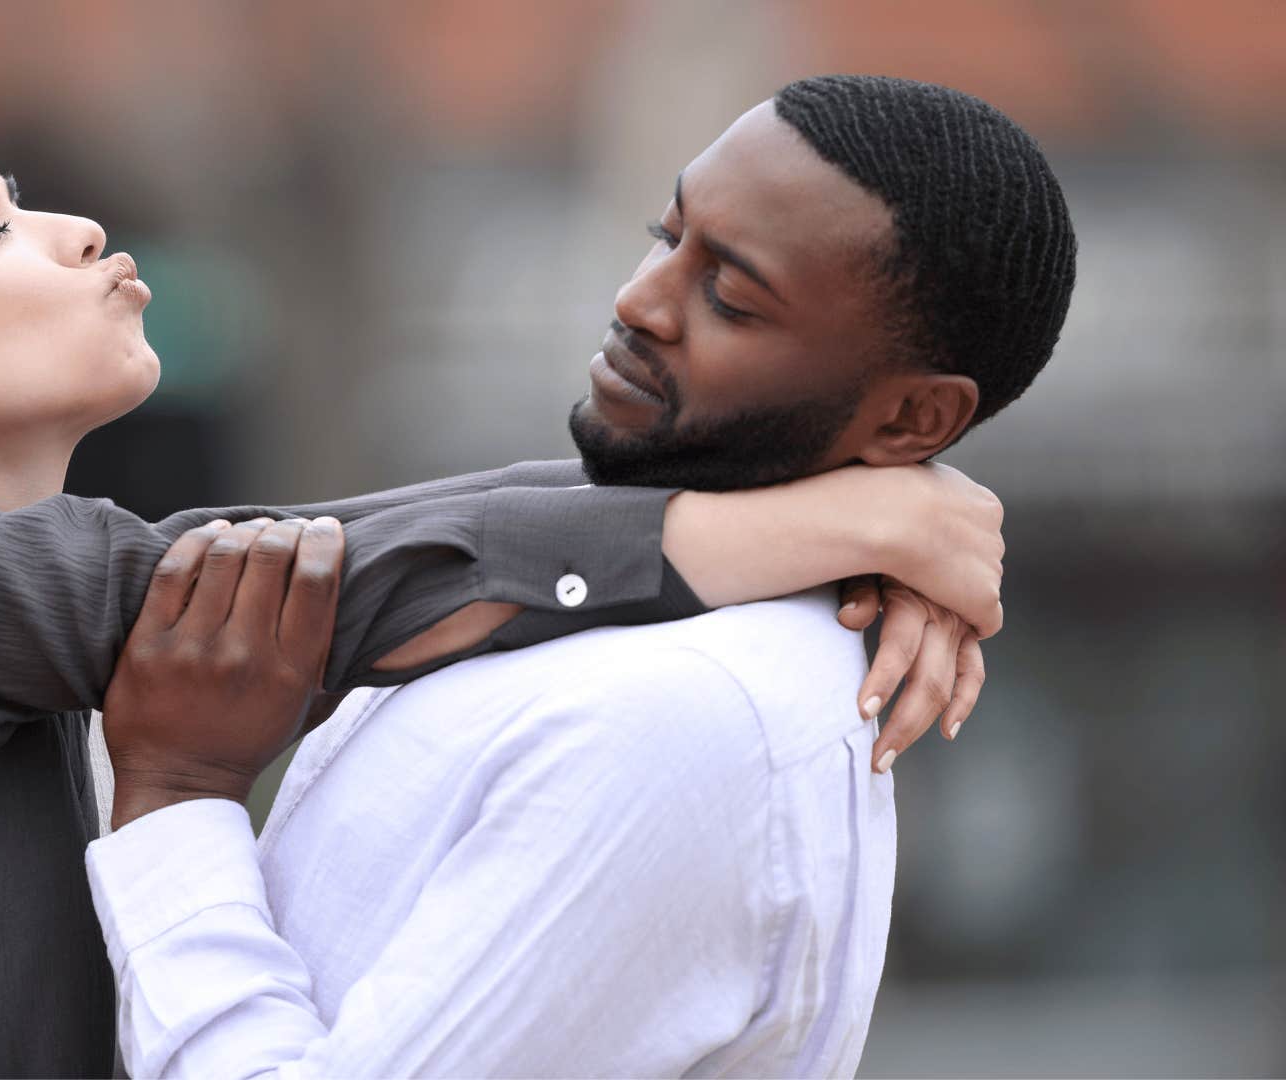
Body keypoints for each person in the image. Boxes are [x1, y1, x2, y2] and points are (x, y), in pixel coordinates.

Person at [0, 95, 1002, 1078]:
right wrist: (836, 521)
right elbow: (278, 589)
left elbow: (299, 547)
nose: (78, 234)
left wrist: (850, 510)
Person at [89, 74, 1075, 1078]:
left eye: (730, 294)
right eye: (667, 231)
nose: (640, 298)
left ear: (912, 422)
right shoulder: (612, 604)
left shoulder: (689, 717)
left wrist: (178, 796)